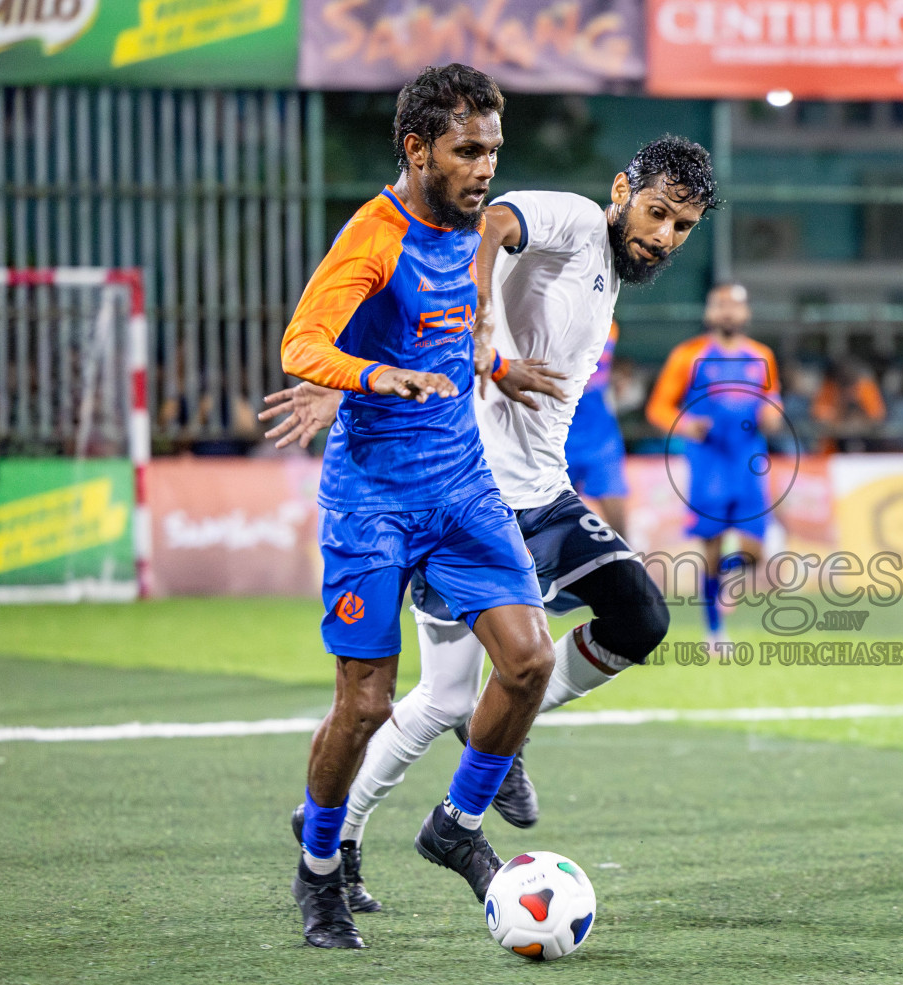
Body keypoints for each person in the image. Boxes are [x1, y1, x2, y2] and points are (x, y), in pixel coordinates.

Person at [263, 134, 715, 915]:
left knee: (637, 615)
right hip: (470, 495)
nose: (665, 235)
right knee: (436, 699)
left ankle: (495, 746)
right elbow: (496, 222)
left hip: (543, 493)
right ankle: (343, 830)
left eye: (683, 226)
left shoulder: (608, 267)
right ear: (621, 191)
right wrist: (476, 329)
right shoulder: (576, 221)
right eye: (657, 213)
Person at [277, 64, 569, 949]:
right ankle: (319, 869)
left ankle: (456, 824)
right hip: (370, 504)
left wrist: (496, 366)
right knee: (365, 706)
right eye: (467, 151)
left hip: (463, 490)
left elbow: (446, 327)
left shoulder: (473, 229)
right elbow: (302, 343)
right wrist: (369, 377)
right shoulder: (373, 235)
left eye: (493, 151)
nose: (485, 168)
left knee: (528, 663)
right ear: (416, 149)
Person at [646, 283, 781, 644]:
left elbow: (773, 400)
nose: (728, 312)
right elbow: (658, 408)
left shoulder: (762, 357)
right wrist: (687, 424)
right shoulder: (688, 356)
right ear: (709, 313)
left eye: (734, 306)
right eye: (720, 305)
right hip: (709, 463)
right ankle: (714, 632)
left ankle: (730, 577)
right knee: (711, 546)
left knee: (755, 550)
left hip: (749, 461)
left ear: (746, 313)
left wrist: (772, 414)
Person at [564, 320, 631, 537]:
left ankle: (626, 568)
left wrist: (616, 380)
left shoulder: (610, 325)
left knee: (619, 530)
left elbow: (609, 366)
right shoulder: (553, 315)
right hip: (559, 436)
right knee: (554, 522)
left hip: (601, 438)